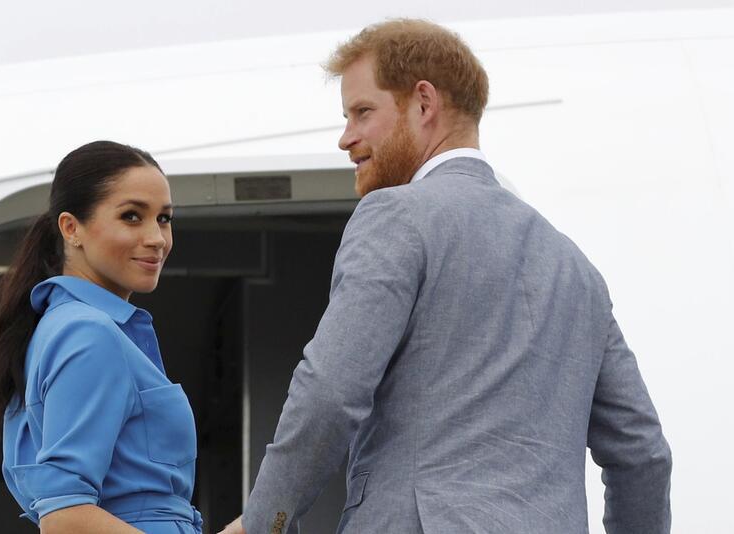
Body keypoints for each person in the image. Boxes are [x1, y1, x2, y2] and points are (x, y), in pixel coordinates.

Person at [220, 19, 671, 534]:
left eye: (362, 112)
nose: (346, 138)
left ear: (424, 103)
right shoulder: (575, 267)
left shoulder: (395, 216)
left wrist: (264, 523)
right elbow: (642, 454)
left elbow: (329, 393)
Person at [0, 140, 203, 533]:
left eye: (164, 219)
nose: (157, 238)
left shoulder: (61, 326)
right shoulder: (87, 333)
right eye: (132, 216)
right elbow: (66, 517)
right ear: (71, 228)